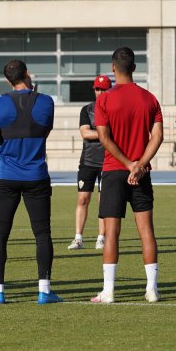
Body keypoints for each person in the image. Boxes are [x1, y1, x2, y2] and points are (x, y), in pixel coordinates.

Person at [0, 59, 60, 305]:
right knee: (42, 233)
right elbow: (45, 132)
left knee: (0, 234)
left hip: (6, 176)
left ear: (8, 80)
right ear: (27, 74)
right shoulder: (46, 101)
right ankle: (44, 291)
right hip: (37, 176)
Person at [92, 48, 162, 304]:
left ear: (113, 68)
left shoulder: (104, 100)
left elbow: (104, 138)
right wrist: (140, 164)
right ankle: (152, 289)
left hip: (113, 171)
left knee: (111, 233)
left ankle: (108, 291)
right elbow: (158, 136)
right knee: (146, 232)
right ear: (134, 68)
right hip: (140, 174)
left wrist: (128, 163)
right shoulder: (149, 99)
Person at [70, 75, 111, 251]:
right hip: (88, 161)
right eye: (97, 89)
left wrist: (98, 133)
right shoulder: (87, 110)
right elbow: (85, 133)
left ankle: (101, 237)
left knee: (105, 202)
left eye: (104, 89)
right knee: (83, 199)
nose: (100, 92)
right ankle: (78, 238)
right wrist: (105, 134)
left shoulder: (114, 109)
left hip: (109, 161)